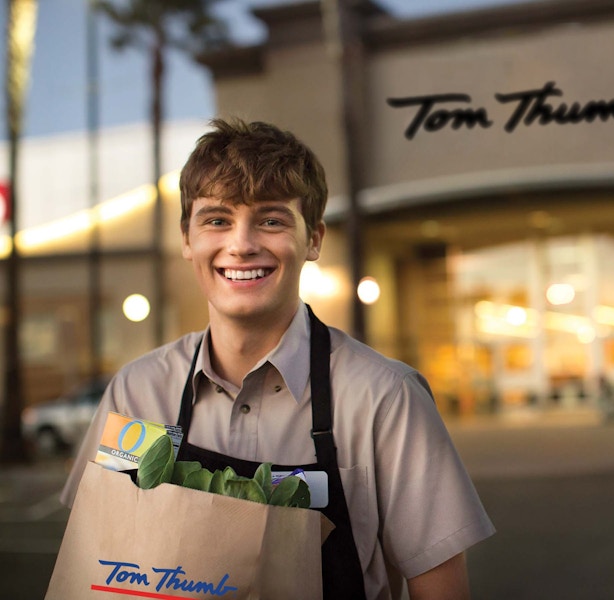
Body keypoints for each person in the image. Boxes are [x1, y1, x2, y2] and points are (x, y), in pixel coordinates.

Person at [61, 118, 495, 599]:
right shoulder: (136, 392)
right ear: (187, 238)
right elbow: (96, 551)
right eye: (217, 220)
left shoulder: (386, 399)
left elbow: (441, 591)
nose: (242, 244)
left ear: (313, 239)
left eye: (271, 220)